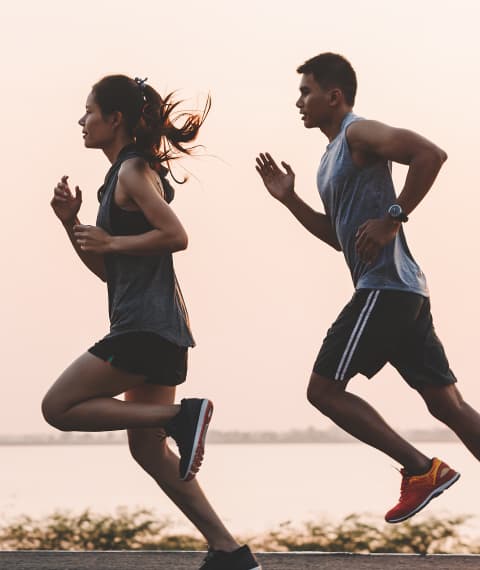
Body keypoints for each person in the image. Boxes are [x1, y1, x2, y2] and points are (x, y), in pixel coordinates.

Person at [42, 74, 261, 570]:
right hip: (158, 329)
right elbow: (108, 271)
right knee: (147, 450)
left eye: (89, 111)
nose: (82, 120)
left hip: (144, 329)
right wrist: (72, 225)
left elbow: (176, 235)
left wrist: (112, 241)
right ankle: (229, 550)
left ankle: (179, 417)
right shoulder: (118, 177)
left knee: (58, 408)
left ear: (114, 118)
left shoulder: (133, 172)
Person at [255, 53, 480, 523]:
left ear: (333, 96)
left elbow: (430, 155)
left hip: (386, 289)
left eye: (306, 92)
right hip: (403, 289)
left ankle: (422, 470)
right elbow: (340, 238)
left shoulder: (358, 133)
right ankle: (423, 470)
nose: (299, 102)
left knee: (323, 390)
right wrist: (289, 198)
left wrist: (392, 219)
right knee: (447, 404)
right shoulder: (331, 156)